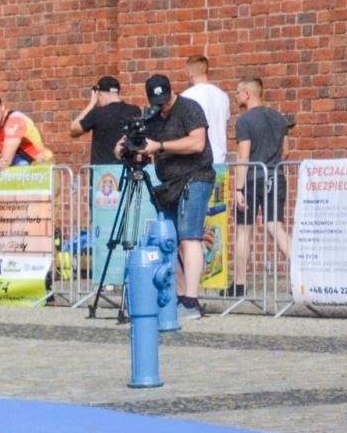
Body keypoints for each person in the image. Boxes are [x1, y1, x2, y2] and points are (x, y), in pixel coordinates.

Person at [123, 73, 215, 320]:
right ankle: (178, 296)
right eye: (158, 102)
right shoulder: (152, 117)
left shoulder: (189, 108)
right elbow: (136, 144)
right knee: (170, 242)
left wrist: (160, 146)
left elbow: (197, 143)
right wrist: (128, 146)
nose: (163, 105)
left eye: (165, 100)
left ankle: (191, 300)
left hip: (196, 177)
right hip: (168, 185)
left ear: (171, 91)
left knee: (189, 237)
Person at [230, 76, 292, 297]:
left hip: (251, 179)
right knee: (275, 227)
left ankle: (239, 286)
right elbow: (285, 151)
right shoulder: (279, 118)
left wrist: (237, 190)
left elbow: (243, 155)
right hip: (276, 175)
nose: (236, 96)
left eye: (238, 92)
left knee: (243, 231)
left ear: (248, 94)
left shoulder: (245, 121)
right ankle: (302, 276)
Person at [69, 76, 140, 167]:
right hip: (128, 170)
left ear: (99, 93)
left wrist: (92, 103)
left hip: (103, 175)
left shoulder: (97, 113)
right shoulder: (134, 111)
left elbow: (73, 130)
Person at [0, 93, 53, 170]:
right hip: (19, 168)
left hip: (41, 166)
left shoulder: (14, 120)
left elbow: (5, 161)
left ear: (2, 107)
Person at [182, 55, 230, 165]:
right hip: (220, 160)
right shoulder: (222, 96)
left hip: (197, 163)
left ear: (189, 73)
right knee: (220, 183)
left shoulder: (186, 97)